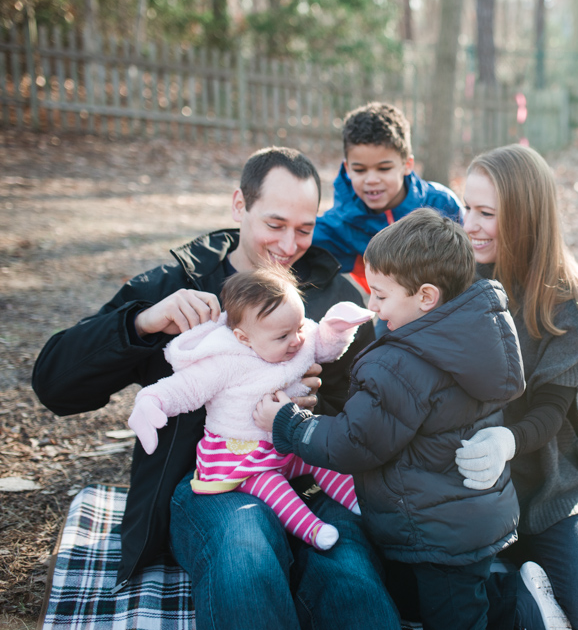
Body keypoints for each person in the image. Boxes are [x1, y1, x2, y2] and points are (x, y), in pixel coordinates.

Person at [31, 147, 399, 630]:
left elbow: (371, 407)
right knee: (243, 552)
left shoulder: (336, 298)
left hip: (309, 478)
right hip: (212, 483)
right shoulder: (180, 286)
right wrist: (141, 324)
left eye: (304, 228)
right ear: (239, 206)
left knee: (354, 580)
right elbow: (55, 385)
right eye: (275, 223)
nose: (289, 245)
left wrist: (313, 409)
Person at [254, 209, 561, 630]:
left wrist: (288, 423)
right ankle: (518, 604)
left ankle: (521, 612)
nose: (373, 307)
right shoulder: (472, 335)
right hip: (464, 514)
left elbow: (354, 442)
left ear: (426, 297)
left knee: (452, 618)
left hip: (439, 530)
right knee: (441, 600)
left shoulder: (400, 364)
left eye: (381, 295)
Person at [455, 144, 578, 630]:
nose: (470, 224)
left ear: (526, 217)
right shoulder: (455, 279)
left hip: (549, 481)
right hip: (472, 484)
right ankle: (518, 587)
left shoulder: (571, 301)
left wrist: (507, 439)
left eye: (486, 213)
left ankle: (558, 545)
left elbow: (551, 410)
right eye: (467, 208)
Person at [128, 264, 374, 550]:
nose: (296, 340)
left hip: (288, 444)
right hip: (242, 456)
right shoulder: (225, 359)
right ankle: (312, 530)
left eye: (298, 327)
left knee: (323, 460)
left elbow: (323, 345)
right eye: (282, 337)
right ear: (244, 338)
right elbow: (186, 387)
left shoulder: (296, 335)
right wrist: (151, 402)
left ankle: (360, 503)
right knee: (272, 488)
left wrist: (336, 329)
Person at [312, 101, 463, 294]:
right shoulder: (339, 225)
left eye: (384, 168)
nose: (372, 179)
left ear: (407, 164)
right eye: (359, 170)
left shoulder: (441, 204)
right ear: (347, 168)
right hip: (388, 313)